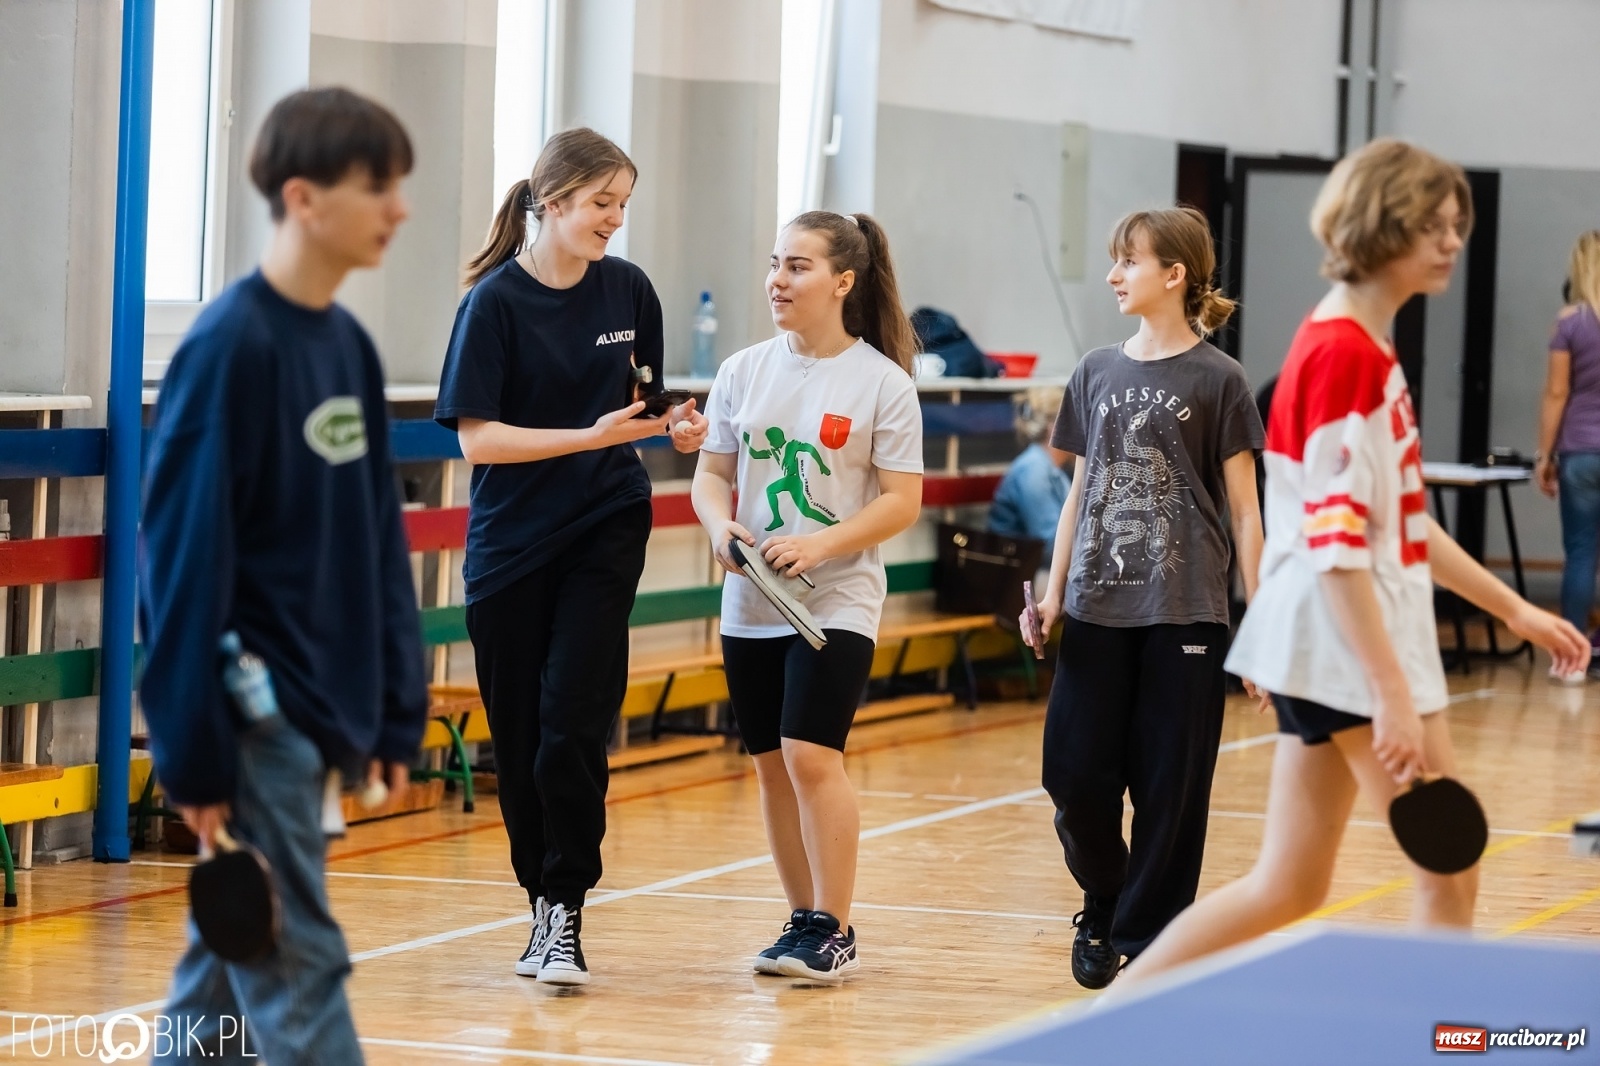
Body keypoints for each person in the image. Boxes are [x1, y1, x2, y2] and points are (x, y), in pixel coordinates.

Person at [1120, 139, 1590, 990]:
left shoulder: (1365, 345)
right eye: (1432, 226)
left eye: (1457, 226)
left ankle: (1113, 1016)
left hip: (1325, 645)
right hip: (1344, 648)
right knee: (1447, 877)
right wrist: (1391, 697)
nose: (1452, 242)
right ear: (1380, 227)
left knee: (1289, 884)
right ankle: (1438, 1043)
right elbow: (1339, 553)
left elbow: (1403, 523)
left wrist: (1513, 611)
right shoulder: (1343, 355)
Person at [139, 88, 427, 1064]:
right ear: (303, 197)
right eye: (378, 186)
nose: (400, 208)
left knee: (219, 986)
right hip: (255, 718)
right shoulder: (229, 350)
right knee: (301, 974)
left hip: (327, 709)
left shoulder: (346, 347)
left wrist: (396, 705)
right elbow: (180, 564)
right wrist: (192, 748)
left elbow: (377, 546)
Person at [435, 128, 706, 987]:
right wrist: (584, 436)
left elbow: (644, 402)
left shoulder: (630, 290)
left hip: (606, 520)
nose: (615, 221)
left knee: (572, 723)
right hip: (512, 545)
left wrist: (678, 426)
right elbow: (478, 443)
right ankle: (538, 900)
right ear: (550, 203)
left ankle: (568, 904)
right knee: (519, 738)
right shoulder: (493, 305)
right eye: (601, 204)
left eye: (623, 204)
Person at [1022, 206, 1266, 990]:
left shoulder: (1221, 379)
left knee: (1171, 789)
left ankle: (1148, 937)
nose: (1113, 275)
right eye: (1114, 260)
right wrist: (1053, 594)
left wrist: (1259, 627)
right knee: (1074, 777)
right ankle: (1105, 895)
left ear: (1175, 275)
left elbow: (1247, 512)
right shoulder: (1096, 370)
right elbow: (1078, 494)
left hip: (1187, 610)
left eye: (1129, 261)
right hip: (1097, 606)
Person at [692, 211, 923, 980]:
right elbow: (713, 474)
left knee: (810, 754)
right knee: (769, 764)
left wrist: (819, 545)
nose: (777, 281)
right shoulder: (743, 370)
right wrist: (720, 528)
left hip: (836, 600)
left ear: (843, 282)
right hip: (751, 605)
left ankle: (835, 924)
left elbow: (900, 502)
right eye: (774, 263)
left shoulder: (883, 383)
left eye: (797, 267)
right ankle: (801, 919)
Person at [1535, 230, 1600, 679]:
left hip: (1580, 451)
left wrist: (1544, 455)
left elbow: (1557, 393)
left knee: (1580, 553)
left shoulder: (1569, 321)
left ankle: (1572, 661)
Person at [989, 386, 1072, 556]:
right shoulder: (1033, 471)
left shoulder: (1053, 469)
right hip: (1021, 576)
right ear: (1055, 427)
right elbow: (1051, 545)